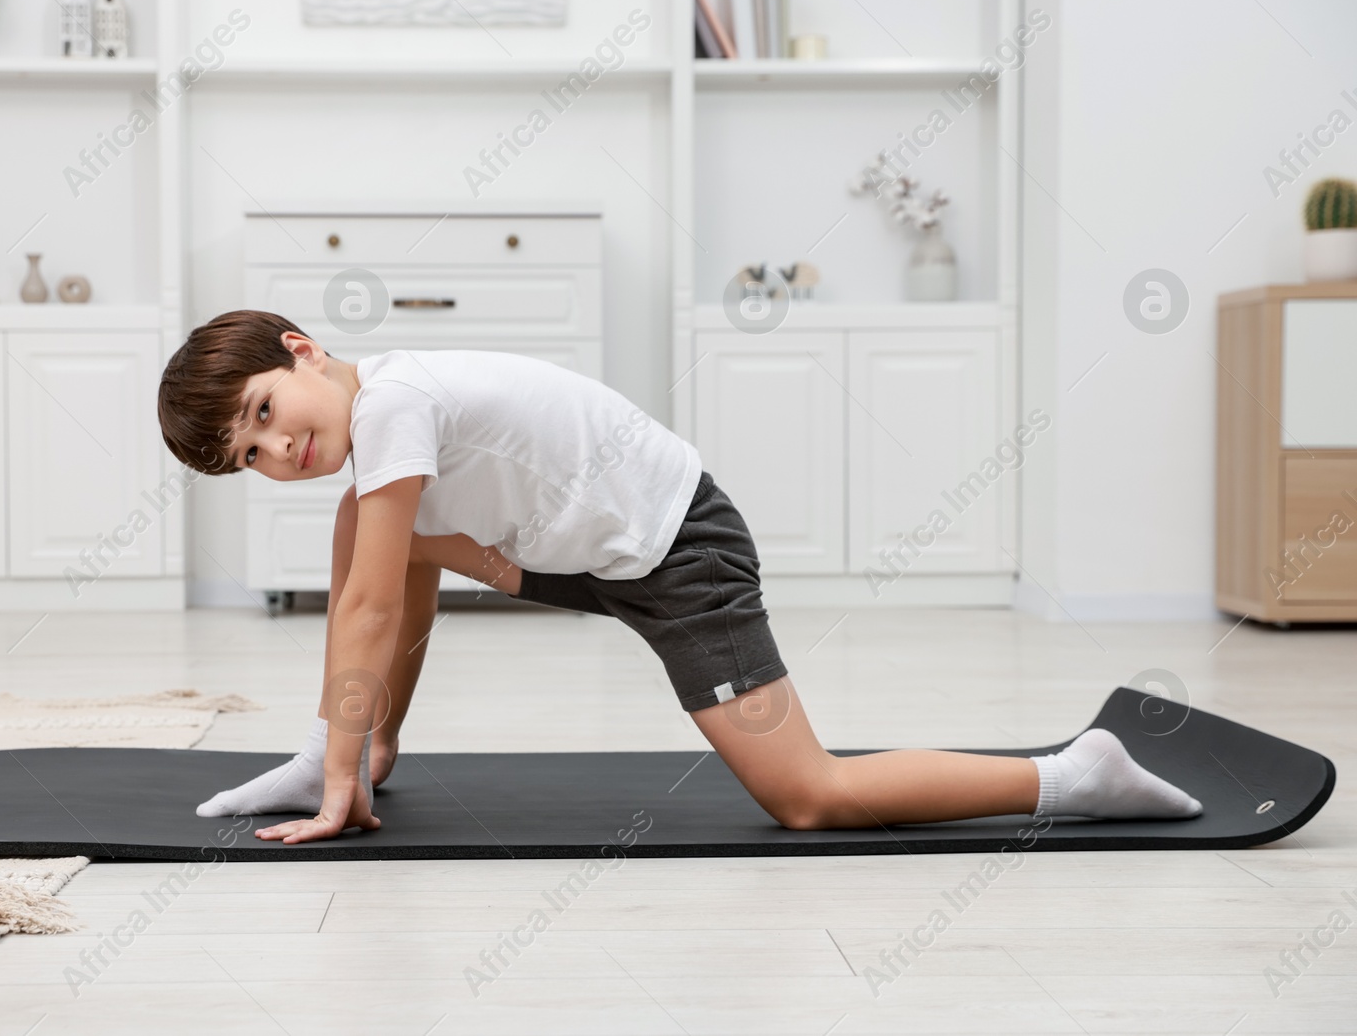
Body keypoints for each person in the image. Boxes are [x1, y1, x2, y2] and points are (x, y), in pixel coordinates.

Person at [157, 310, 1202, 845]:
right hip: (580, 550)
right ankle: (364, 748)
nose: (274, 451)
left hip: (675, 552)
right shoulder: (380, 412)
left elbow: (375, 605)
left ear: (301, 351)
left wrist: (336, 788)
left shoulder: (392, 401)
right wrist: (357, 746)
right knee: (370, 531)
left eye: (260, 413)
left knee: (807, 794)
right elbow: (384, 587)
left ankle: (1076, 773)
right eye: (247, 457)